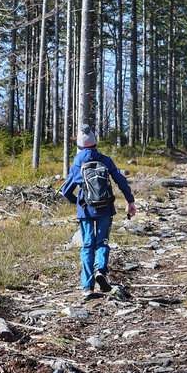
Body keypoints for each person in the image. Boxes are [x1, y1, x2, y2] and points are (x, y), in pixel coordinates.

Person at [61, 126, 137, 297]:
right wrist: (130, 201)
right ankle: (100, 270)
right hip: (105, 208)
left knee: (88, 245)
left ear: (80, 145)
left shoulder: (77, 163)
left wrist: (78, 203)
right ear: (95, 143)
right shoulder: (105, 159)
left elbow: (66, 191)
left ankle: (87, 287)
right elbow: (120, 180)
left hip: (86, 211)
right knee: (102, 242)